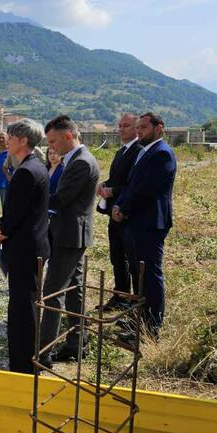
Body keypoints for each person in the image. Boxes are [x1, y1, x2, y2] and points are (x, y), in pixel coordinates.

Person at [0, 120, 50, 374]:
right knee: (27, 303)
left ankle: (23, 366)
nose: (8, 141)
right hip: (32, 246)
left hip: (24, 249)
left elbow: (15, 215)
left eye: (12, 137)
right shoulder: (36, 165)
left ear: (23, 140)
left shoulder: (26, 171)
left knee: (22, 308)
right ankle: (27, 360)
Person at [40, 115, 100, 362]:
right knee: (75, 289)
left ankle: (43, 352)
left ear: (68, 136)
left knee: (52, 292)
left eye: (53, 141)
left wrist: (30, 203)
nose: (51, 147)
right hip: (69, 234)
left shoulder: (81, 163)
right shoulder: (74, 160)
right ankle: (77, 343)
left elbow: (61, 199)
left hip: (69, 236)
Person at [113, 112, 176, 342]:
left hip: (149, 224)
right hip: (135, 222)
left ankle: (151, 328)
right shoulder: (145, 152)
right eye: (137, 127)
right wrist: (119, 204)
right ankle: (138, 320)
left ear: (159, 128)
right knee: (138, 275)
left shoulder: (162, 154)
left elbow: (145, 190)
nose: (138, 131)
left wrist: (124, 209)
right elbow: (131, 185)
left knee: (149, 276)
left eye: (144, 127)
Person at [96, 113, 140, 309]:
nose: (121, 129)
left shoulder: (138, 151)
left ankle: (134, 301)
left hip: (128, 214)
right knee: (117, 257)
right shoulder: (121, 151)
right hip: (114, 213)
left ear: (136, 128)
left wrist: (113, 191)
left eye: (126, 125)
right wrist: (105, 184)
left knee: (131, 258)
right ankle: (120, 296)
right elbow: (117, 179)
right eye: (120, 125)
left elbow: (135, 185)